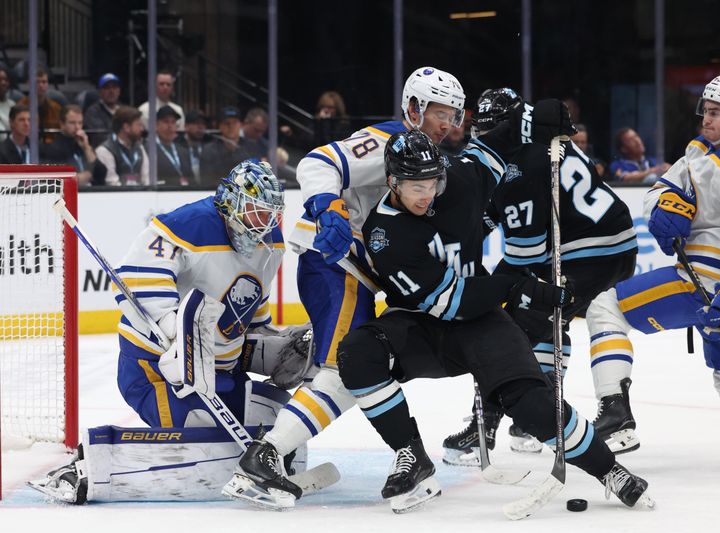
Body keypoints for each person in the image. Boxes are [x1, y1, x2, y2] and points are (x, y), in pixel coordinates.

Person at [337, 127, 652, 514]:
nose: (427, 194)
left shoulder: (463, 180)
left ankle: (610, 471)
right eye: (415, 187)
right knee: (357, 352)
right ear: (392, 182)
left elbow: (502, 141)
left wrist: (541, 123)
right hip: (421, 325)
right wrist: (520, 287)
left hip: (481, 324)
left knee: (532, 405)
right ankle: (411, 454)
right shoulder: (385, 234)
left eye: (432, 182)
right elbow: (452, 304)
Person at [221, 66, 468, 509]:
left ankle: (281, 446)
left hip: (349, 272)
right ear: (413, 108)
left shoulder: (430, 156)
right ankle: (266, 456)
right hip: (335, 264)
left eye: (454, 114)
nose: (447, 123)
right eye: (439, 113)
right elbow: (318, 162)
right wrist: (330, 209)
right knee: (346, 369)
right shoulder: (394, 138)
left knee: (347, 371)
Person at [29, 160, 314, 504]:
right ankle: (86, 466)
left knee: (275, 419)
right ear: (233, 202)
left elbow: (248, 314)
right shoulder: (190, 224)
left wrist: (272, 349)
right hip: (156, 370)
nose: (263, 224)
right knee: (199, 428)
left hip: (220, 373)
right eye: (255, 212)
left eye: (270, 215)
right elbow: (137, 277)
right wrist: (175, 335)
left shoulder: (270, 243)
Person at [586, 74, 720, 454]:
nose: (706, 117)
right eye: (706, 109)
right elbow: (658, 191)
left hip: (715, 282)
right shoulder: (699, 152)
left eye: (716, 112)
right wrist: (665, 208)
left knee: (606, 309)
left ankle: (616, 417)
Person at [442, 89, 638, 464]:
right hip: (603, 245)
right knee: (542, 320)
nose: (482, 138)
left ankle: (501, 423)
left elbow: (523, 259)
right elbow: (484, 220)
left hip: (588, 254)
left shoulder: (523, 165)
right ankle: (536, 420)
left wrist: (485, 290)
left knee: (510, 324)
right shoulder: (533, 149)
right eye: (479, 129)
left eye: (491, 128)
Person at [42, 104, 107, 186]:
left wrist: (86, 148)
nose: (77, 127)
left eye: (80, 123)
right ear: (62, 124)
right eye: (72, 123)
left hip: (91, 193)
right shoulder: (53, 149)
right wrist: (80, 178)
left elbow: (101, 174)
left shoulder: (83, 145)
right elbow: (57, 179)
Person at [95, 106, 149, 186]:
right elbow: (111, 183)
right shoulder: (105, 150)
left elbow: (146, 178)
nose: (142, 129)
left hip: (140, 195)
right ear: (126, 127)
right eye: (138, 125)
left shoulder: (140, 148)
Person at [199, 106, 250, 185]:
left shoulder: (250, 147)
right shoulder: (209, 150)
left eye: (235, 122)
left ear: (241, 125)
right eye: (226, 123)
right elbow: (207, 180)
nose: (231, 126)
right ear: (220, 126)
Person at [19, 67, 62, 144]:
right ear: (29, 83)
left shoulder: (56, 108)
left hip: (50, 148)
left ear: (48, 84)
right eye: (37, 82)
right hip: (26, 146)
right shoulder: (20, 106)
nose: (41, 85)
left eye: (44, 82)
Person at [154, 105, 193, 186]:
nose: (170, 126)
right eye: (166, 121)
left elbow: (192, 179)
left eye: (173, 122)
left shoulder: (183, 151)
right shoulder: (150, 150)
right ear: (156, 125)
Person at [84, 72, 122, 147]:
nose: (111, 91)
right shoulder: (92, 112)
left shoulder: (125, 111)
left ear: (119, 91)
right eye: (107, 88)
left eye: (114, 87)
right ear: (100, 92)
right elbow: (100, 137)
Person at [176, 109, 211, 183]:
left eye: (203, 123)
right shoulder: (177, 145)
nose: (200, 127)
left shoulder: (210, 144)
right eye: (196, 123)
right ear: (186, 126)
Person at [0, 66, 16, 140]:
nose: (3, 83)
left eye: (6, 80)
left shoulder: (12, 105)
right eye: (0, 80)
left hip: (10, 147)